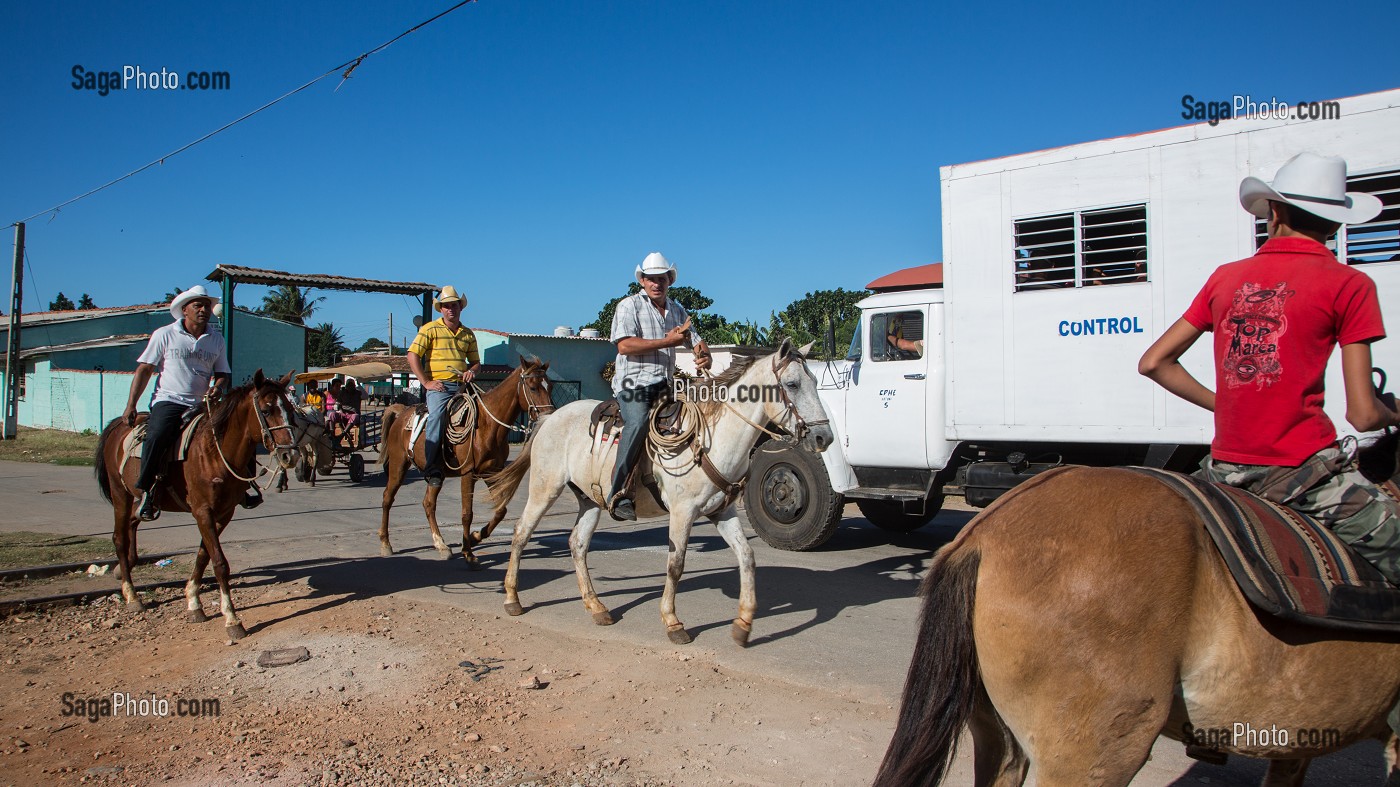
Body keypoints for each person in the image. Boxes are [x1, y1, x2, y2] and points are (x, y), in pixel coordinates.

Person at [1139, 152, 1400, 584]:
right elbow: (1363, 415)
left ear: (1274, 211)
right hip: (1300, 470)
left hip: (1223, 468)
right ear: (1335, 224)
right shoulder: (1350, 285)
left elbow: (1154, 362)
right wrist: (1394, 411)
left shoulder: (1226, 277)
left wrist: (1226, 405)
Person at [122, 285, 257, 521]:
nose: (204, 310)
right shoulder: (165, 334)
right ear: (185, 310)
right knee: (158, 434)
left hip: (203, 404)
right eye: (198, 305)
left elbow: (223, 373)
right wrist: (131, 404)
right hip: (170, 400)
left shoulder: (216, 339)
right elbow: (144, 369)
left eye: (206, 305)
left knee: (243, 431)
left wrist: (217, 386)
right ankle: (147, 490)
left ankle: (244, 487)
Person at [606, 252, 711, 521]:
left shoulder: (677, 310)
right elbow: (624, 345)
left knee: (699, 416)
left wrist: (703, 354)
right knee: (638, 422)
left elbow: (695, 339)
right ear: (642, 281)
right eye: (651, 279)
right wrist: (667, 342)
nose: (656, 284)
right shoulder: (628, 306)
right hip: (634, 384)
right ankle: (618, 492)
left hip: (665, 385)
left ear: (669, 280)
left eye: (661, 279)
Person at [406, 285, 481, 487]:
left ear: (460, 307)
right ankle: (431, 467)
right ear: (441, 309)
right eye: (446, 306)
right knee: (437, 417)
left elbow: (475, 363)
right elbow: (412, 355)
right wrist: (426, 382)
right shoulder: (429, 329)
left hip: (462, 387)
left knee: (483, 414)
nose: (451, 309)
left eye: (454, 305)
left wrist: (471, 372)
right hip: (440, 387)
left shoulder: (468, 334)